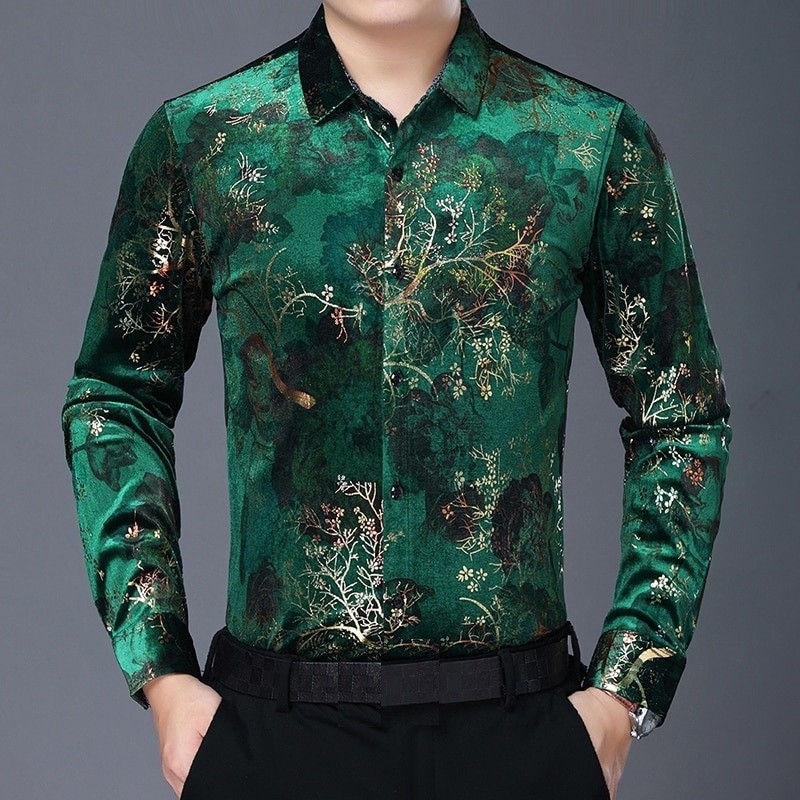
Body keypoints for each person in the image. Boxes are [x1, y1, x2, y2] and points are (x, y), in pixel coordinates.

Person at [59, 1, 733, 798]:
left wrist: (624, 689)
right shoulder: (206, 137)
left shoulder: (591, 141)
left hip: (519, 735)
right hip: (274, 737)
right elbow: (116, 395)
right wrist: (161, 669)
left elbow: (681, 413)